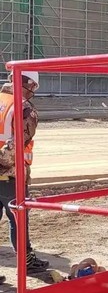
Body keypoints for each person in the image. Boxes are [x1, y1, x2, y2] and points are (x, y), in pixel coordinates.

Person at [0, 70, 49, 275]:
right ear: (28, 84)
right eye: (33, 87)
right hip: (10, 175)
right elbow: (17, 145)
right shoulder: (25, 108)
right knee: (18, 219)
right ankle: (26, 261)